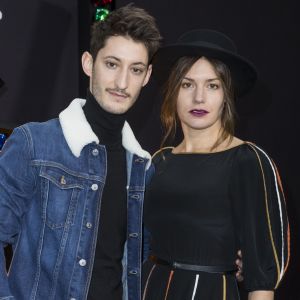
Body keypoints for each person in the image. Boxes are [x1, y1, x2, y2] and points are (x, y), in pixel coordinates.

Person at [0, 4, 161, 300]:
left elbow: (140, 259)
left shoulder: (143, 168)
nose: (122, 83)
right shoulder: (34, 144)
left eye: (135, 69)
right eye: (112, 64)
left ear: (147, 75)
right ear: (88, 63)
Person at [142, 29, 290, 300]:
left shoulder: (248, 160)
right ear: (173, 92)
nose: (199, 97)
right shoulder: (158, 160)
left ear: (226, 95)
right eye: (187, 84)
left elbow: (261, 278)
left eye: (212, 85)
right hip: (149, 289)